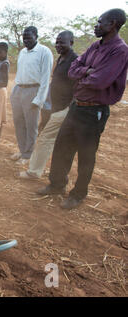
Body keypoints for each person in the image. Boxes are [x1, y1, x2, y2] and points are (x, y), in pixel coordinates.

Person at [37, 9, 128, 209]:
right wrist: (86, 71)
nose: (96, 26)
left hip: (94, 111)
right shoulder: (95, 46)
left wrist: (83, 77)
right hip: (76, 106)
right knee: (62, 147)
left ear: (112, 24)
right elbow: (73, 70)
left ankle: (78, 194)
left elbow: (100, 81)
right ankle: (57, 184)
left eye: (99, 22)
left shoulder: (120, 50)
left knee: (86, 155)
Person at [18, 31, 77, 180]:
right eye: (56, 42)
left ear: (71, 42)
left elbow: (77, 86)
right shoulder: (62, 59)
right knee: (55, 142)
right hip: (56, 107)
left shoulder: (75, 61)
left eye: (62, 42)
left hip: (65, 109)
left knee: (45, 139)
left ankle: (35, 172)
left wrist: (69, 108)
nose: (58, 45)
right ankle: (57, 178)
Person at [10, 26, 54, 165]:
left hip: (33, 91)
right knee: (19, 123)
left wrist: (40, 99)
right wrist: (14, 92)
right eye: (24, 38)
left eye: (29, 37)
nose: (26, 41)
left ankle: (28, 155)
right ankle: (22, 150)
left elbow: (46, 78)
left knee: (31, 125)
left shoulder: (44, 52)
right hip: (19, 90)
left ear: (36, 36)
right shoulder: (22, 52)